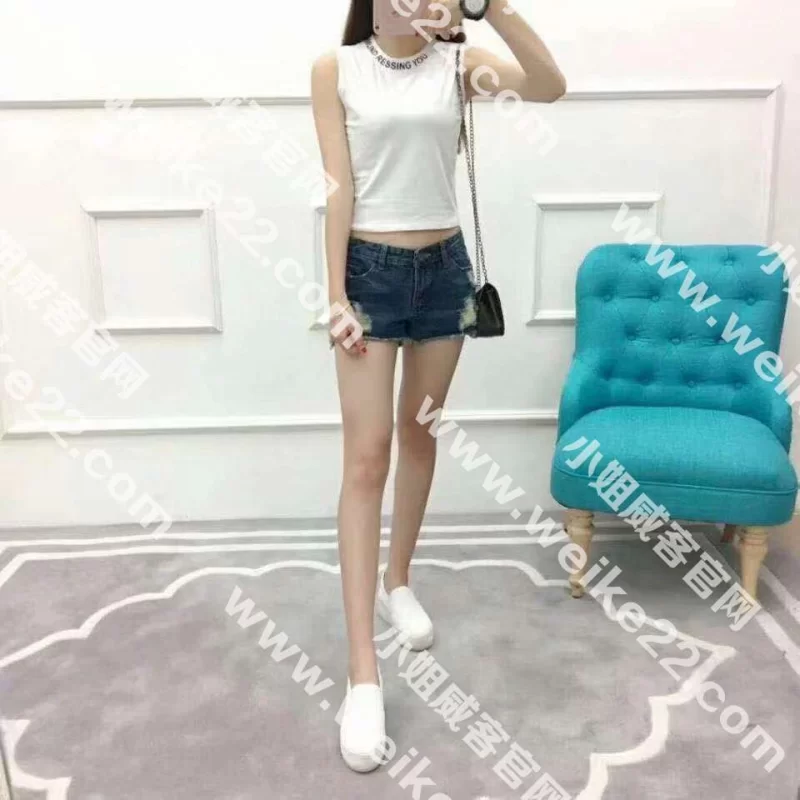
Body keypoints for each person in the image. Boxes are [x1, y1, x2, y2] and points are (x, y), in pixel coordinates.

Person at [310, 0, 566, 773]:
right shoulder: (336, 69)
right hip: (369, 271)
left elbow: (549, 85)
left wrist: (492, 11)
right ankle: (362, 674)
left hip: (446, 271)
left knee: (420, 431)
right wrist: (335, 294)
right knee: (367, 459)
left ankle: (399, 581)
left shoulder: (457, 65)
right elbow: (338, 187)